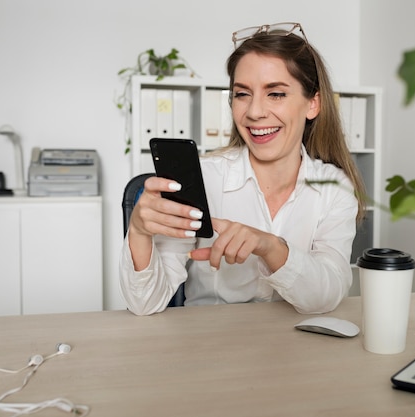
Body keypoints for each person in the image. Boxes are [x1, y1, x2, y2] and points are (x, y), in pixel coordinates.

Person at [120, 22, 367, 315]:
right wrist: (137, 232)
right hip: (212, 345)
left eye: (275, 94)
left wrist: (271, 247)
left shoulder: (334, 190)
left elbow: (326, 296)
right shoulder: (203, 178)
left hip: (296, 347)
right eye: (242, 94)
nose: (254, 112)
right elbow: (145, 302)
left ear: (313, 104)